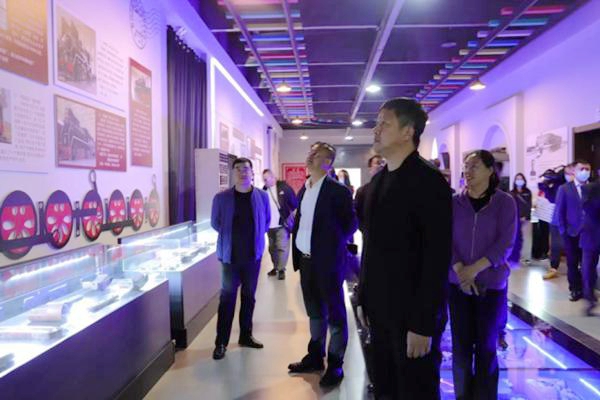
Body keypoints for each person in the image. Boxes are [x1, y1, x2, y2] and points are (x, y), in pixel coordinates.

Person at [357, 98, 452, 399]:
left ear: (408, 131)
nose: (376, 129)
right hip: (380, 308)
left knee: (415, 389)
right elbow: (371, 247)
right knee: (385, 387)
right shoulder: (377, 183)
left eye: (384, 123)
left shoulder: (429, 182)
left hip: (412, 314)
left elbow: (436, 257)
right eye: (377, 123)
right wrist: (364, 297)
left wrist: (423, 323)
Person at [288, 142, 358, 388]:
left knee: (335, 316)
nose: (310, 156)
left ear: (328, 163)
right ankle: (315, 356)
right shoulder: (305, 188)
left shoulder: (338, 191)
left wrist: (330, 245)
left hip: (328, 264)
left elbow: (350, 225)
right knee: (315, 313)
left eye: (317, 154)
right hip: (306, 262)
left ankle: (336, 363)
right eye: (310, 152)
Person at [450, 150, 517, 400]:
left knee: (486, 348)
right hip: (458, 285)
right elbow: (445, 240)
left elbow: (505, 243)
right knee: (461, 349)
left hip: (491, 286)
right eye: (466, 166)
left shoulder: (504, 202)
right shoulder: (454, 202)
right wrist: (460, 270)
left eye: (474, 166)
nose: (468, 171)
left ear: (490, 170)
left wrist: (475, 268)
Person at [210, 158, 270, 360]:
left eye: (246, 168)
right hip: (230, 258)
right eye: (238, 169)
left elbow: (266, 221)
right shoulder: (221, 198)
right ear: (232, 172)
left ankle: (246, 335)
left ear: (252, 172)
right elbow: (215, 223)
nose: (242, 172)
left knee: (249, 297)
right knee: (227, 299)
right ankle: (221, 342)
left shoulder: (262, 196)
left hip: (253, 257)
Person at [555, 160, 591, 301]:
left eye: (587, 169)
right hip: (571, 233)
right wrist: (563, 231)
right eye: (582, 169)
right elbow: (560, 212)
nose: (585, 172)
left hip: (590, 234)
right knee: (573, 263)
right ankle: (575, 289)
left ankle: (587, 289)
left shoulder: (594, 188)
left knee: (588, 263)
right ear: (574, 171)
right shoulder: (565, 189)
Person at [262, 169, 298, 280]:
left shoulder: (284, 188)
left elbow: (294, 204)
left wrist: (290, 216)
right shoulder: (263, 191)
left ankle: (281, 269)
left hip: (282, 224)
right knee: (272, 249)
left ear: (273, 177)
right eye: (263, 180)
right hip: (269, 226)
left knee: (282, 247)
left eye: (266, 179)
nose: (265, 182)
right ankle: (276, 267)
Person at [581, 179, 600, 315]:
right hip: (591, 235)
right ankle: (589, 298)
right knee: (588, 269)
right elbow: (588, 208)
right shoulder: (589, 188)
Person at [355, 155, 385, 233]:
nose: (381, 165)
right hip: (370, 234)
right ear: (370, 168)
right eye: (378, 163)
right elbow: (357, 215)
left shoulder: (392, 188)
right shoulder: (362, 191)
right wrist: (366, 230)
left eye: (383, 163)